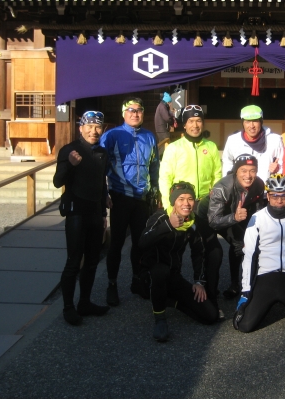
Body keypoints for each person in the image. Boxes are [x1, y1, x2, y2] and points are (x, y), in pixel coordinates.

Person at [233, 174, 285, 335]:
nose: (279, 200)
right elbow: (249, 256)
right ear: (268, 196)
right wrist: (245, 292)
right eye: (275, 196)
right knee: (244, 326)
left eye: (284, 196)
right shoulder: (257, 218)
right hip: (266, 276)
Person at [159, 104, 223, 314]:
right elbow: (164, 177)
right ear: (184, 125)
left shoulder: (211, 147)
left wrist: (214, 200)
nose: (195, 125)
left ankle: (209, 293)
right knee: (173, 252)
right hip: (179, 206)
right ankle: (166, 292)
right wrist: (170, 207)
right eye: (191, 121)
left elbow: (218, 175)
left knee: (212, 252)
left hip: (203, 206)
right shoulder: (174, 148)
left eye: (199, 121)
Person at [139, 182, 218, 342]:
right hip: (151, 276)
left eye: (190, 199)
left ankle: (171, 301)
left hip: (173, 276)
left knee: (211, 316)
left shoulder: (192, 223)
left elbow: (198, 253)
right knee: (160, 271)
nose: (186, 203)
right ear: (173, 201)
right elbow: (142, 243)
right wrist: (168, 225)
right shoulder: (160, 218)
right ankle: (160, 318)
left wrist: (199, 281)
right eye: (181, 199)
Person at [100, 98, 160, 307]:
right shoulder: (112, 135)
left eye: (139, 110)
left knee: (140, 243)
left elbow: (154, 166)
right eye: (131, 110)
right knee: (116, 243)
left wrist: (156, 190)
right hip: (120, 196)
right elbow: (100, 166)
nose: (135, 114)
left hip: (142, 198)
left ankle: (138, 280)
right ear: (123, 113)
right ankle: (112, 284)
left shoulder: (149, 136)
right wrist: (102, 193)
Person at [53, 110, 110, 325]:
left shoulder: (102, 153)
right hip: (76, 211)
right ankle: (68, 307)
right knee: (74, 261)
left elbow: (101, 181)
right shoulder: (70, 150)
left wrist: (105, 205)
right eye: (90, 126)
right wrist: (69, 164)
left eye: (98, 127)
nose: (94, 131)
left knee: (93, 261)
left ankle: (84, 302)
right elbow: (58, 182)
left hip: (95, 212)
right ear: (81, 128)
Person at [206, 155, 266, 299]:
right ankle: (210, 290)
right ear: (235, 172)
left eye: (253, 171)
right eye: (243, 170)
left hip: (237, 214)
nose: (248, 175)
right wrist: (234, 217)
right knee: (216, 252)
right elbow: (213, 220)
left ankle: (246, 283)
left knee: (246, 243)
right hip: (209, 217)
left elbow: (258, 211)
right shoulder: (222, 187)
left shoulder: (258, 184)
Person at [222, 105, 284, 182]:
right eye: (247, 121)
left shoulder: (275, 140)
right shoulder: (233, 140)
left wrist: (277, 169)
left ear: (261, 122)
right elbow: (227, 163)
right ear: (243, 123)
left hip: (266, 190)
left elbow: (283, 164)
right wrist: (229, 184)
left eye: (255, 121)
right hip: (240, 191)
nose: (251, 126)